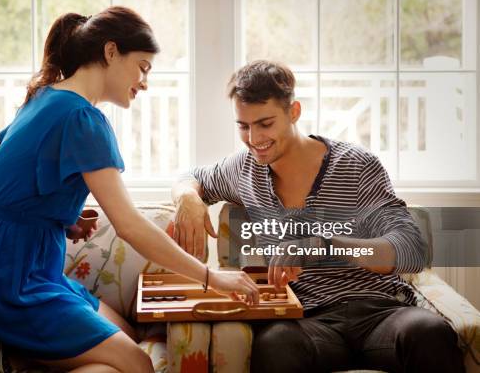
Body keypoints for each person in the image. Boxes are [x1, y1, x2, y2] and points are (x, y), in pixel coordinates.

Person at [0, 7, 259, 373]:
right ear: (111, 52)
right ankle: (9, 355)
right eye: (142, 67)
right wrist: (212, 277)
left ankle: (11, 356)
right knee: (137, 364)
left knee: (125, 330)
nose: (144, 82)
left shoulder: (43, 97)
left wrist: (61, 217)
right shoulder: (83, 119)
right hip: (10, 281)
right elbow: (129, 225)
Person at [171, 60, 465, 372]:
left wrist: (322, 246)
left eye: (266, 123)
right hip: (307, 321)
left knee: (429, 333)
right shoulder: (244, 169)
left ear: (293, 112)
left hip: (380, 313)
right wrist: (188, 196)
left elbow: (410, 248)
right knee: (275, 344)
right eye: (244, 126)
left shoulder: (356, 166)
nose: (254, 139)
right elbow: (191, 177)